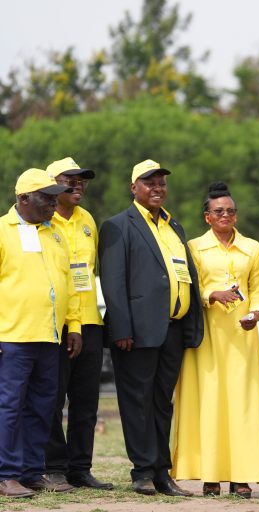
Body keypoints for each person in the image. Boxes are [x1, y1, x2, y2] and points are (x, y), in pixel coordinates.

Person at [98, 159, 203, 497]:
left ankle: (162, 472)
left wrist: (189, 323)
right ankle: (142, 471)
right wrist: (122, 329)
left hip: (171, 330)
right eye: (149, 182)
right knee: (136, 401)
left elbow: (183, 274)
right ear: (133, 188)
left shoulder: (174, 226)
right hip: (136, 333)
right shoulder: (118, 225)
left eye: (161, 183)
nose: (157, 188)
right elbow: (113, 284)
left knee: (162, 403)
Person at [171, 182, 259, 498]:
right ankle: (211, 476)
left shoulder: (253, 248)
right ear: (207, 217)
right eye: (219, 211)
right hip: (207, 337)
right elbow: (190, 287)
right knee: (210, 406)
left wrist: (256, 313)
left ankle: (242, 476)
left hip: (242, 337)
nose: (226, 215)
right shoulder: (193, 247)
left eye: (231, 211)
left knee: (243, 406)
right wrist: (210, 295)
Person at [0, 169, 81, 497]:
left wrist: (73, 325)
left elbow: (69, 284)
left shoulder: (55, 234)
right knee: (9, 406)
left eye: (54, 196)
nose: (53, 203)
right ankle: (6, 474)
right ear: (23, 199)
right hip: (13, 337)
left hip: (50, 337)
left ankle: (32, 471)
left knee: (43, 408)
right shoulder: (3, 232)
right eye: (46, 197)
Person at [43, 157, 113, 491]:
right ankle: (54, 468)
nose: (77, 185)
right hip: (55, 326)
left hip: (89, 321)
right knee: (53, 399)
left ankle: (80, 469)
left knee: (86, 402)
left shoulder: (87, 220)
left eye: (81, 180)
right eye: (68, 179)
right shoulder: (42, 220)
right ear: (51, 184)